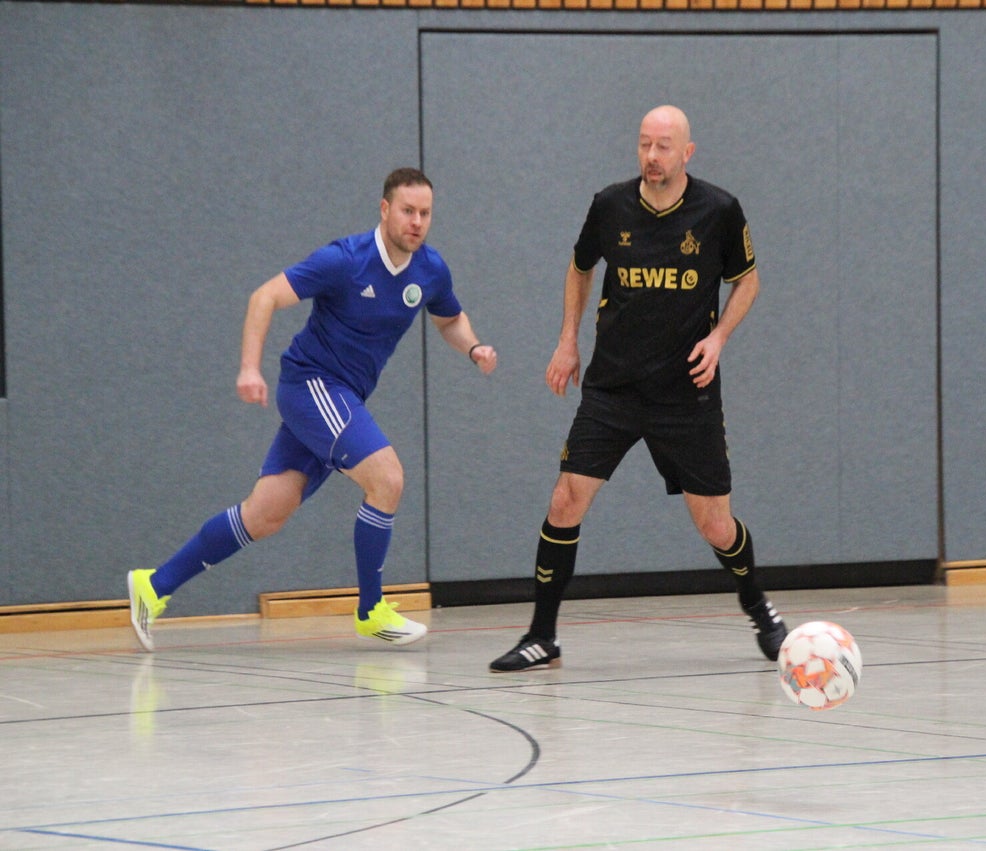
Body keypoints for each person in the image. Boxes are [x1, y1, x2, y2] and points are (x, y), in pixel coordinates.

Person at [128, 167, 497, 651]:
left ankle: (153, 585)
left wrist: (473, 347)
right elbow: (264, 297)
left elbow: (450, 319)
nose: (417, 222)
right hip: (312, 385)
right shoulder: (344, 260)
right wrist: (249, 368)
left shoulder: (430, 270)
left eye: (425, 213)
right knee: (387, 478)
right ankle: (370, 611)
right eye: (408, 211)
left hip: (342, 398)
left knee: (265, 514)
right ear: (385, 209)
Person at [489, 106, 786, 673]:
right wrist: (568, 341)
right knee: (565, 500)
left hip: (686, 392)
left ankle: (759, 609)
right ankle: (542, 635)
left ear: (687, 153)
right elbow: (580, 267)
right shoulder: (610, 205)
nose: (652, 156)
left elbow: (747, 281)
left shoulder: (719, 210)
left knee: (715, 524)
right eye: (645, 144)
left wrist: (719, 337)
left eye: (664, 146)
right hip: (614, 388)